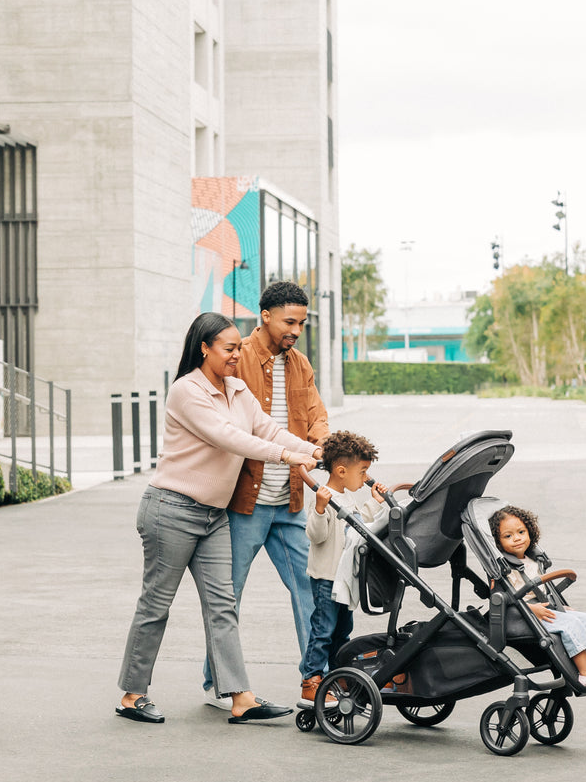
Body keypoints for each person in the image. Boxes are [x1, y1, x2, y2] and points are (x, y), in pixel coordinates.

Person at [116, 312, 319, 725]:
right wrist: (287, 456)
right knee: (156, 605)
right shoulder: (186, 392)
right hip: (171, 511)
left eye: (238, 348)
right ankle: (132, 694)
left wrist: (316, 452)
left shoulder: (237, 389)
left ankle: (240, 696)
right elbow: (229, 437)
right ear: (204, 348)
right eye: (229, 348)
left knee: (222, 606)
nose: (236, 355)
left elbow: (269, 428)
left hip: (212, 517)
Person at [201, 281, 330, 709]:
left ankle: (317, 680)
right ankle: (220, 684)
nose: (296, 329)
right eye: (290, 321)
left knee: (310, 592)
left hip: (290, 503)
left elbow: (316, 419)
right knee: (228, 596)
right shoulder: (237, 359)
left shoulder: (301, 365)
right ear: (267, 316)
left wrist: (330, 449)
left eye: (302, 323)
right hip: (243, 502)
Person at [489, 505, 586, 690]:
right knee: (570, 625)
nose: (516, 538)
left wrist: (559, 607)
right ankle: (585, 674)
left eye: (521, 532)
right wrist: (532, 609)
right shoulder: (505, 569)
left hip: (544, 608)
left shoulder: (532, 559)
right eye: (508, 536)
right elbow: (503, 598)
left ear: (530, 531)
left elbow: (543, 591)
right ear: (498, 542)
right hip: (523, 615)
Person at [302, 430, 388, 701]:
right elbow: (316, 536)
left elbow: (358, 524)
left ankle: (338, 677)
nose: (365, 478)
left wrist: (374, 503)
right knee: (323, 631)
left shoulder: (347, 498)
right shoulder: (324, 498)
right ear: (341, 471)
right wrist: (318, 509)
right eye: (362, 472)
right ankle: (311, 680)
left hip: (344, 578)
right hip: (327, 577)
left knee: (342, 631)